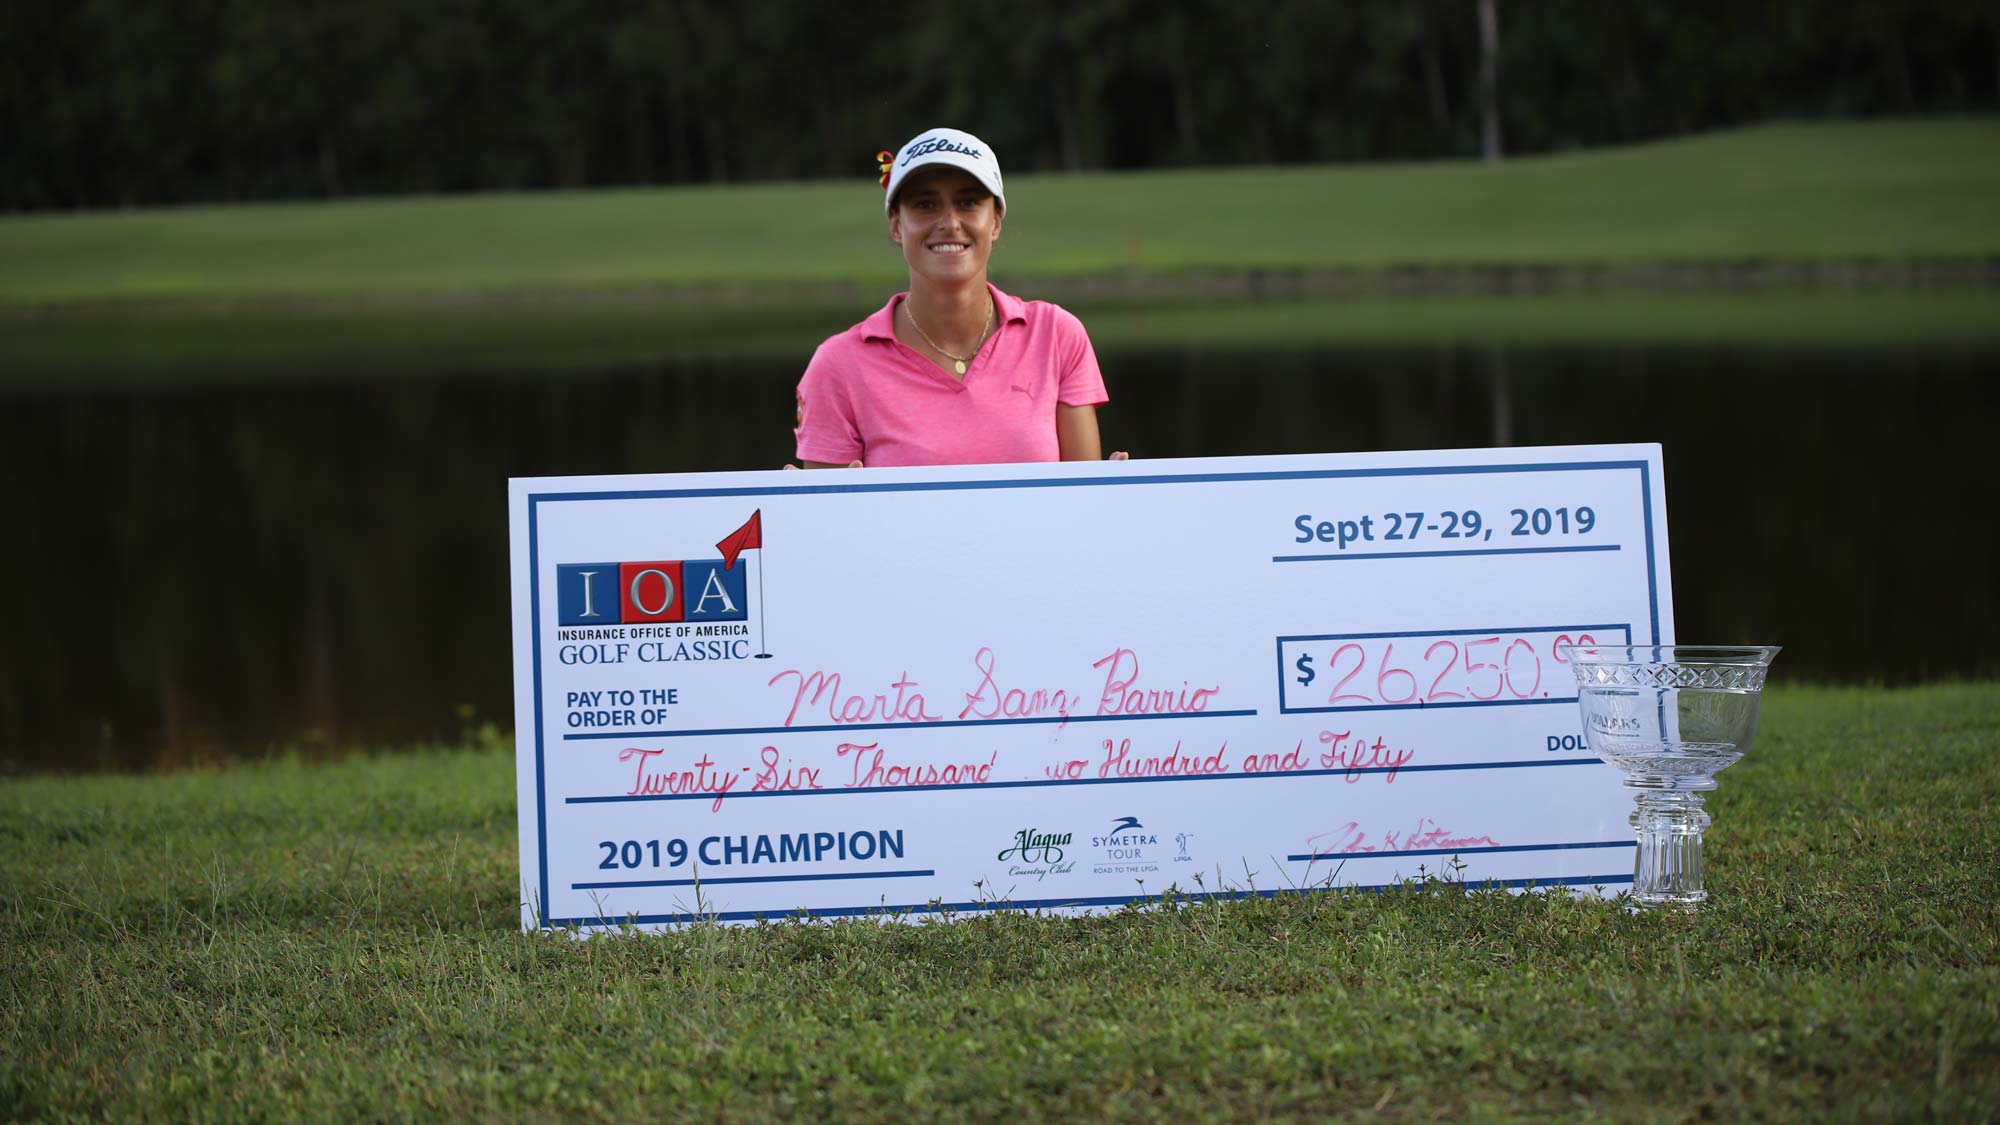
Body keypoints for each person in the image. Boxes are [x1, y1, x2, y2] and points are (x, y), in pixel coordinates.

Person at [792, 127, 1126, 468]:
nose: (950, 222)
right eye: (925, 204)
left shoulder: (1056, 335)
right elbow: (829, 518)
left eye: (967, 203)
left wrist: (1116, 492)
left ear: (995, 222)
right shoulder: (837, 365)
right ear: (896, 226)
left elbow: (1080, 504)